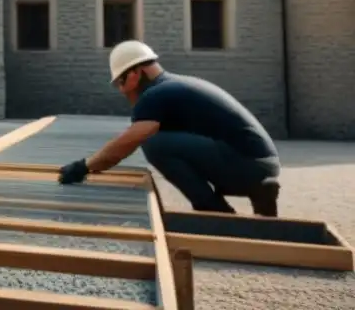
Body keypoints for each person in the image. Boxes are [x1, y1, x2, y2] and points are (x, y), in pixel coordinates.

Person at [58, 40, 281, 216]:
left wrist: (83, 166)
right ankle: (259, 190)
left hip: (247, 165)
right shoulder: (174, 87)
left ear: (135, 73)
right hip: (259, 164)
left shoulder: (155, 96)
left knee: (154, 143)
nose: (121, 90)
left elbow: (126, 143)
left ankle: (214, 211)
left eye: (120, 82)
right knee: (159, 138)